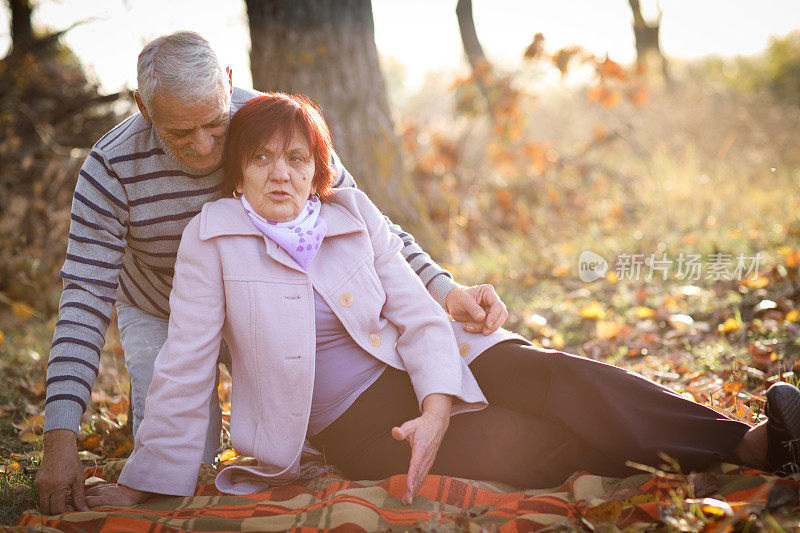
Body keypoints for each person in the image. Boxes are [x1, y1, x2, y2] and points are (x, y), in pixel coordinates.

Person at [83, 93, 800, 509]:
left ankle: (748, 442)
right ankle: (702, 469)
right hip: (357, 420)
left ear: (318, 170)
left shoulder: (351, 213)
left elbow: (419, 312)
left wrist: (435, 401)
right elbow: (184, 366)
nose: (280, 171)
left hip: (422, 363)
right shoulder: (213, 237)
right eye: (262, 157)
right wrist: (146, 485)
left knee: (555, 376)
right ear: (237, 173)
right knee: (529, 440)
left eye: (296, 157)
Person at [36, 31, 508, 515]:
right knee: (174, 472)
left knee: (290, 416)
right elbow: (85, 299)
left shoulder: (277, 127)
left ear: (228, 82)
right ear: (142, 106)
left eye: (215, 125)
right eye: (180, 132)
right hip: (159, 305)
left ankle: (299, 448)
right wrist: (60, 437)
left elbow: (366, 224)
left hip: (266, 299)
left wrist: (444, 288)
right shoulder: (110, 168)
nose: (203, 146)